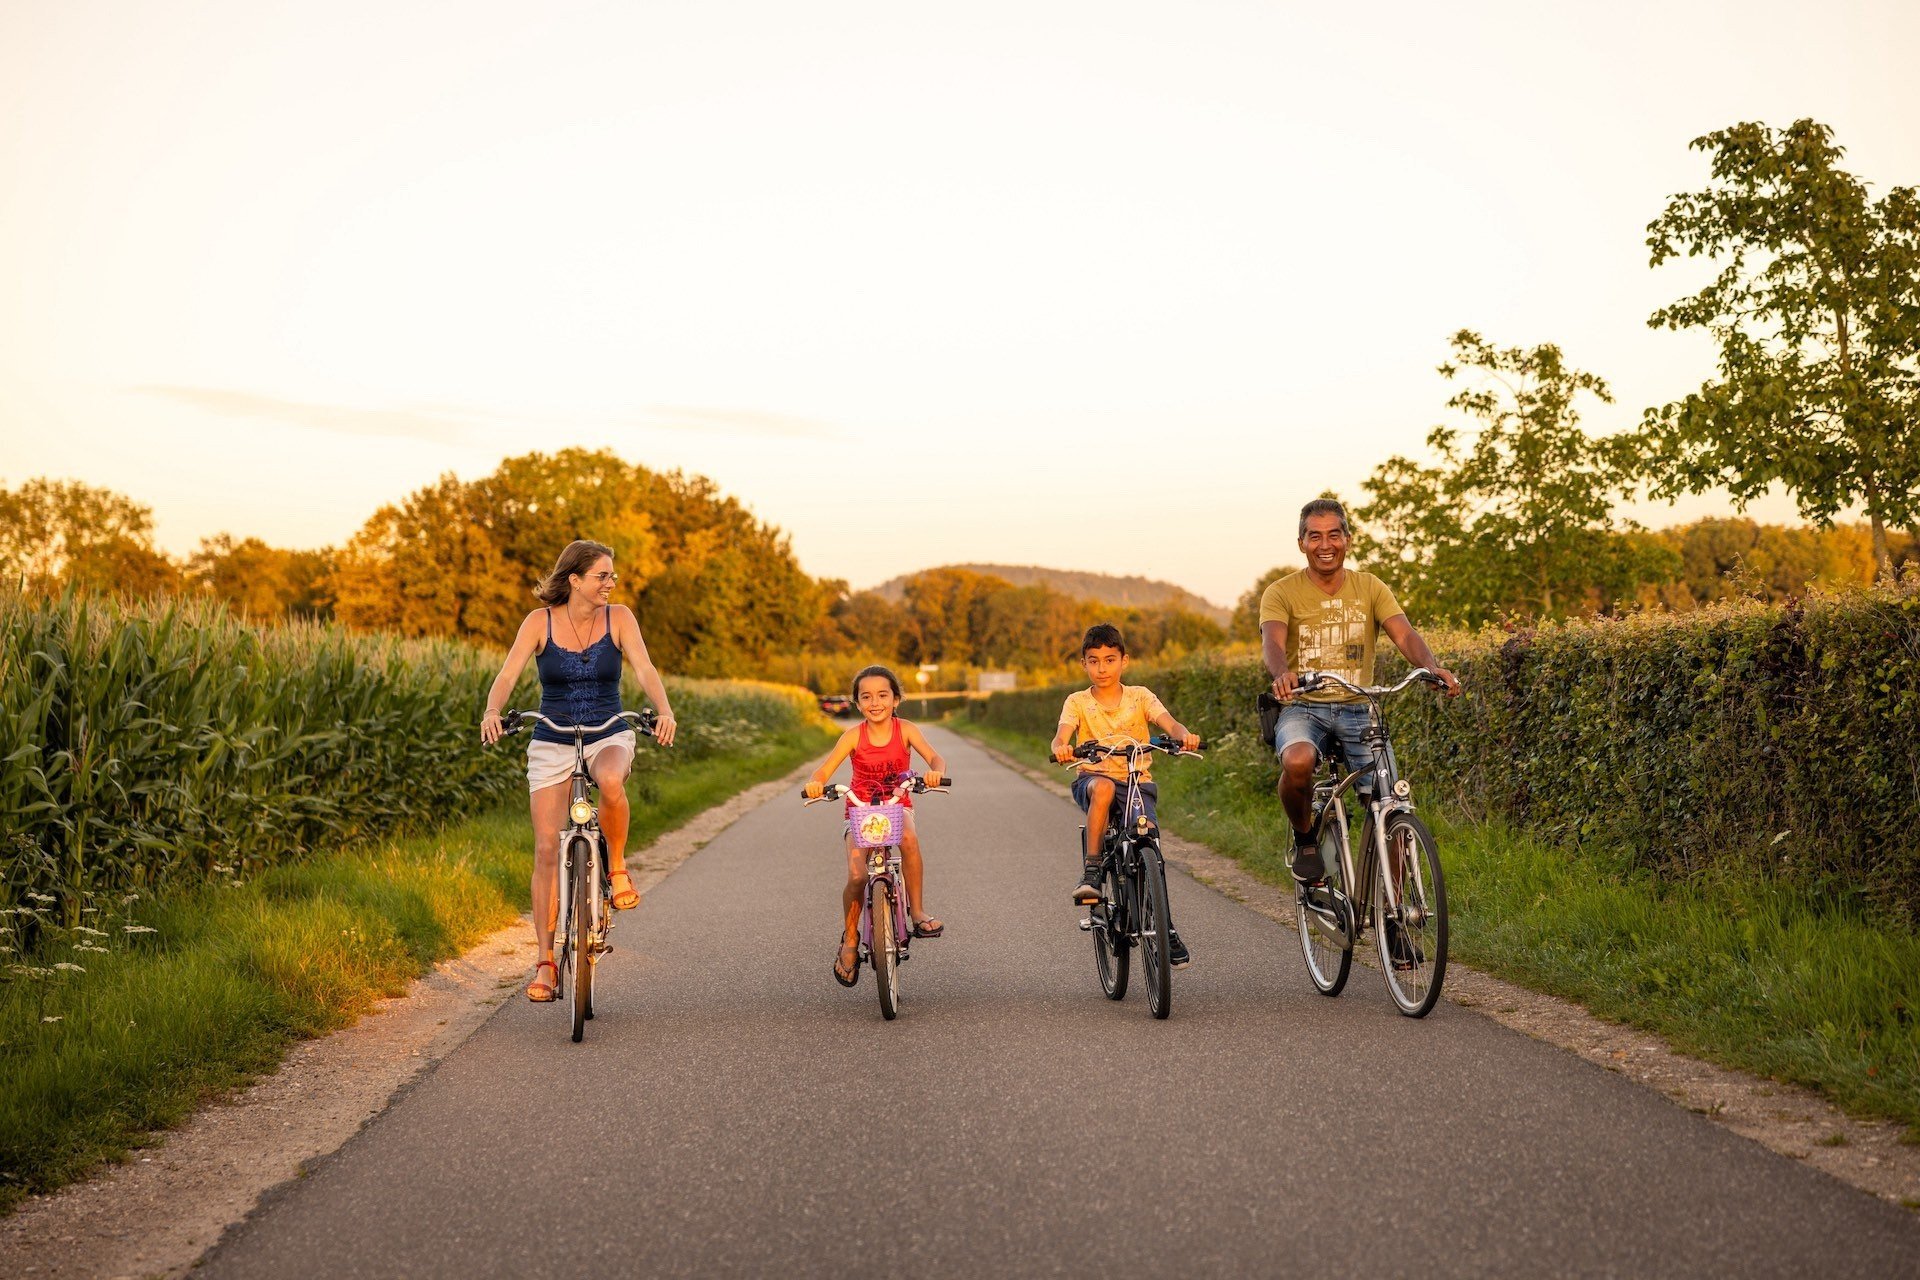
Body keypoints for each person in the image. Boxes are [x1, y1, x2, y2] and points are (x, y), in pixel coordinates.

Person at [480, 539, 679, 1002]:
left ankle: (619, 869)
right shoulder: (539, 622)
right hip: (551, 735)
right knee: (547, 847)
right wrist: (493, 709)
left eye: (612, 576)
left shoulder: (621, 618)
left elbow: (645, 668)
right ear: (574, 579)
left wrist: (663, 709)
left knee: (610, 780)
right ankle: (546, 962)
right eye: (602, 576)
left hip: (608, 729)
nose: (611, 583)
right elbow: (508, 674)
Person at [1259, 498, 1459, 908]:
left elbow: (1404, 635)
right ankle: (1306, 839)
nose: (1325, 544)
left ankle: (1397, 914)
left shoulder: (1370, 586)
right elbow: (1272, 643)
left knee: (1391, 805)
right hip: (1304, 707)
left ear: (1348, 540)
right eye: (1315, 535)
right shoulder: (1281, 592)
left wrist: (1431, 667)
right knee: (1296, 762)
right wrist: (1282, 674)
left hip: (1358, 707)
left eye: (1334, 534)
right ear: (1301, 543)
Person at [1050, 623, 1201, 969]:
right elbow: (1061, 736)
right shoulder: (1077, 702)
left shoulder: (1140, 696)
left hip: (1136, 781)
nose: (1102, 668)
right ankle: (1091, 871)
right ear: (1083, 664)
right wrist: (1061, 748)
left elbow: (1170, 723)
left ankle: (1165, 925)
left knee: (1149, 842)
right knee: (1102, 786)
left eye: (1109, 659)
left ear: (1124, 661)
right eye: (1094, 661)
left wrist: (1184, 735)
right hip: (1094, 779)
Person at [802, 665, 948, 987]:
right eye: (866, 697)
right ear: (857, 703)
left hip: (897, 807)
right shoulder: (853, 736)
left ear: (896, 699)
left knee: (909, 838)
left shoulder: (905, 730)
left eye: (883, 695)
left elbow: (935, 759)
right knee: (856, 875)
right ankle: (851, 939)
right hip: (859, 811)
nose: (875, 702)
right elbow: (824, 771)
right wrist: (816, 783)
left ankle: (918, 912)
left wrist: (935, 772)